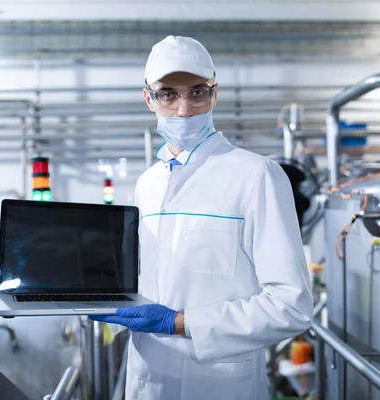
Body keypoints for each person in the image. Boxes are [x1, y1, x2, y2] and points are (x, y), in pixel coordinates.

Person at [90, 35, 312, 400]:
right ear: (148, 98)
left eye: (197, 92)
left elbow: (291, 305)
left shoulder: (256, 175)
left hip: (219, 382)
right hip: (147, 376)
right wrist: (91, 295)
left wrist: (179, 323)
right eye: (168, 94)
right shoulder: (148, 183)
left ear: (215, 94)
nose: (183, 110)